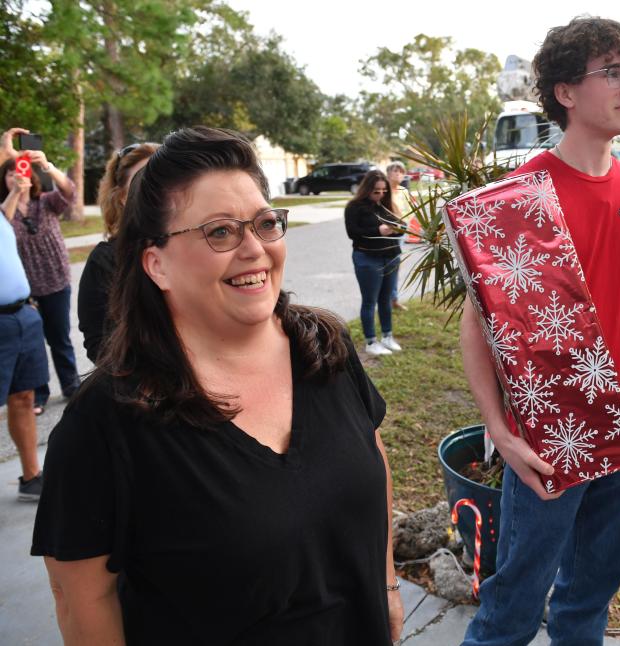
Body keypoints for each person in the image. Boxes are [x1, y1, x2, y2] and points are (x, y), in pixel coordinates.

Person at [31, 127, 404, 644]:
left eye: (265, 224)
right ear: (155, 263)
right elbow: (81, 597)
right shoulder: (108, 420)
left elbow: (374, 454)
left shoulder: (326, 348)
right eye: (221, 232)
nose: (254, 249)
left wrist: (385, 585)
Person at [460, 17, 620, 645]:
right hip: (552, 438)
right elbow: (478, 326)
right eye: (611, 72)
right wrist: (499, 432)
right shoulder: (519, 196)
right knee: (514, 605)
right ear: (565, 92)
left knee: (590, 600)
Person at [0, 139, 80, 415]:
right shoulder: (4, 211)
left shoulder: (46, 202)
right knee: (36, 345)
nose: (15, 177)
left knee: (59, 338)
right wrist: (14, 194)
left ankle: (71, 385)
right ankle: (40, 393)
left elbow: (70, 192)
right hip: (28, 289)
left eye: (19, 172)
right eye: (9, 173)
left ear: (30, 175)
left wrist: (47, 165)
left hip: (56, 280)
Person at [0, 126, 48, 501]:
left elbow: (12, 198)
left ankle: (32, 477)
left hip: (23, 316)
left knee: (24, 397)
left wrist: (18, 185)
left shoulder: (3, 213)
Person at [78, 141, 158, 363]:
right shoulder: (105, 261)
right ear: (123, 197)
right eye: (142, 182)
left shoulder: (196, 243)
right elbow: (99, 345)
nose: (156, 189)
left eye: (162, 178)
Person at [344, 169, 404, 356]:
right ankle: (371, 341)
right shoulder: (354, 207)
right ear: (367, 188)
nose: (380, 194)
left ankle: (387, 336)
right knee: (370, 301)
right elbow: (353, 232)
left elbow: (402, 229)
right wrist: (379, 230)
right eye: (376, 191)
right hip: (368, 258)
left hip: (391, 257)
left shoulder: (386, 206)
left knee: (386, 299)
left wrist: (398, 228)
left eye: (384, 191)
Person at [386, 160, 414, 311]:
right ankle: (388, 298)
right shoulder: (384, 191)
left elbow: (410, 211)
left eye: (401, 171)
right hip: (388, 232)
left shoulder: (403, 191)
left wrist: (405, 225)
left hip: (402, 232)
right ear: (388, 173)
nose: (398, 174)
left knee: (396, 265)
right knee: (390, 265)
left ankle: (393, 298)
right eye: (394, 171)